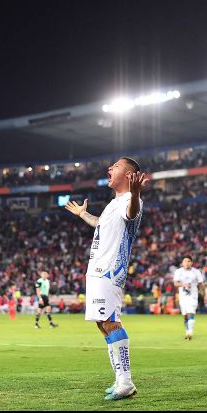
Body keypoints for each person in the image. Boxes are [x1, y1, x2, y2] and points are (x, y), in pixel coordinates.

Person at [65, 157, 147, 401]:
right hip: (97, 269)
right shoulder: (113, 204)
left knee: (111, 321)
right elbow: (101, 225)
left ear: (130, 174)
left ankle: (126, 381)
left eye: (116, 166)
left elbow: (132, 214)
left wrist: (134, 194)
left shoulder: (130, 201)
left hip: (110, 270)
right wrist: (83, 214)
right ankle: (120, 379)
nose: (110, 169)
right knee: (102, 324)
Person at [173, 256, 205, 340]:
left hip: (193, 296)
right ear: (182, 263)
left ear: (191, 262)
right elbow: (175, 283)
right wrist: (183, 284)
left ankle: (190, 332)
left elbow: (201, 284)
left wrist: (204, 294)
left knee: (191, 312)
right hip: (182, 296)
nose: (186, 263)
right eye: (185, 261)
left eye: (188, 261)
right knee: (185, 315)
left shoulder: (196, 272)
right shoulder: (178, 271)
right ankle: (187, 331)